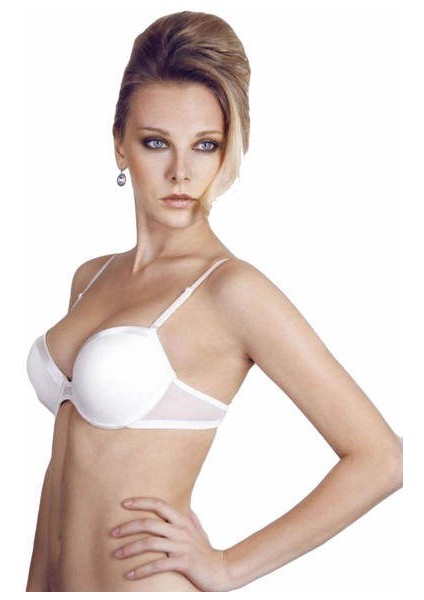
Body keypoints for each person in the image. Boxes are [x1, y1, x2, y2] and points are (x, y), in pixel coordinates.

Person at [25, 10, 403, 593]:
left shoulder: (231, 291)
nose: (181, 172)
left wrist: (227, 565)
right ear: (120, 145)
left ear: (228, 153)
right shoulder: (90, 277)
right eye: (156, 143)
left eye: (205, 146)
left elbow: (381, 459)